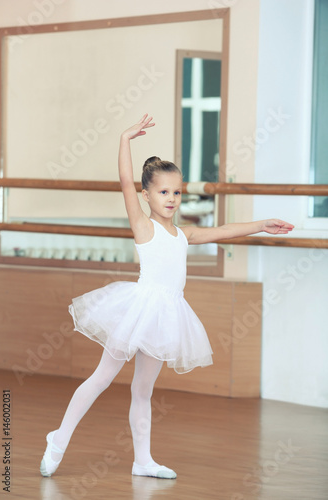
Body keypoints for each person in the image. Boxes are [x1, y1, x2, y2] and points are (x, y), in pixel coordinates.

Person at [40, 114, 294, 479]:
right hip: (138, 310)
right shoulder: (143, 227)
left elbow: (222, 231)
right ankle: (58, 439)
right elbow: (125, 181)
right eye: (163, 192)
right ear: (147, 195)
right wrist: (125, 138)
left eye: (177, 192)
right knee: (102, 377)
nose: (171, 198)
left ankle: (142, 460)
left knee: (143, 391)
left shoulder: (184, 235)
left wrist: (262, 224)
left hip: (166, 317)